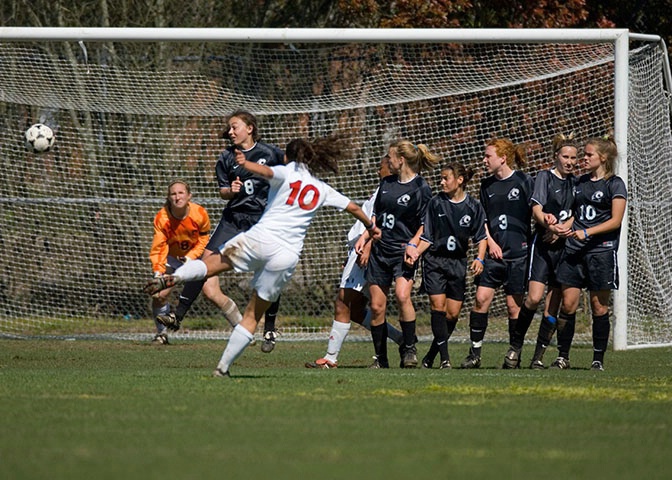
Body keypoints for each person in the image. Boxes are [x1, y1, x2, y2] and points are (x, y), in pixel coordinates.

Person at [144, 135, 382, 378]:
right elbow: (353, 207)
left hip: (259, 239)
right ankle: (222, 368)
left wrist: (245, 164)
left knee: (208, 267)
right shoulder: (322, 188)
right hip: (286, 255)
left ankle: (172, 277)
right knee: (252, 315)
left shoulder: (285, 172)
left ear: (287, 156)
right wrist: (371, 227)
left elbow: (265, 171)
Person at [156, 110, 285, 352]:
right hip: (233, 219)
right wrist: (232, 190)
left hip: (261, 221)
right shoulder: (226, 157)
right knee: (205, 261)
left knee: (271, 268)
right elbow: (222, 191)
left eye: (235, 126)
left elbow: (291, 172)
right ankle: (177, 316)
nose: (231, 131)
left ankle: (269, 327)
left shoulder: (270, 153)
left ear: (250, 128)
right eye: (229, 128)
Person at [305, 154, 403, 369]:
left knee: (343, 302)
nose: (378, 171)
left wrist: (367, 247)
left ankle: (330, 358)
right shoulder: (382, 189)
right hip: (358, 251)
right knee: (358, 310)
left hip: (366, 251)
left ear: (392, 167)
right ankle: (402, 340)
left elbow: (379, 226)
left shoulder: (388, 190)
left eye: (381, 166)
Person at [355, 140, 440, 369]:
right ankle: (381, 358)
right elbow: (376, 219)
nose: (387, 160)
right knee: (377, 306)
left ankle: (409, 348)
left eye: (390, 157)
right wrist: (365, 238)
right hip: (380, 253)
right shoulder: (385, 183)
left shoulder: (421, 188)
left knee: (403, 296)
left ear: (400, 160)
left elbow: (426, 224)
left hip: (403, 253)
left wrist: (413, 243)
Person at [503, 134, 578, 369]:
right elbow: (537, 209)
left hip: (565, 248)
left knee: (553, 307)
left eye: (573, 158)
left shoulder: (577, 182)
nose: (570, 161)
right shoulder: (545, 177)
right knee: (534, 298)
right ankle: (515, 347)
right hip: (543, 246)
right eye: (565, 156)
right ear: (556, 156)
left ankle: (538, 357)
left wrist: (562, 229)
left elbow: (580, 212)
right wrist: (549, 225)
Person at [553, 135, 627, 371]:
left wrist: (588, 232)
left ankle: (597, 360)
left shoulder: (615, 184)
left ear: (602, 158)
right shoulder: (578, 182)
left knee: (599, 307)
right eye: (583, 155)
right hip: (574, 252)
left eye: (588, 155)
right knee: (568, 304)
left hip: (601, 253)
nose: (583, 158)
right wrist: (563, 227)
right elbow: (576, 214)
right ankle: (563, 357)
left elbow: (615, 221)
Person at [405, 163, 487, 370]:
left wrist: (480, 258)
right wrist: (415, 252)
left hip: (457, 263)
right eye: (440, 178)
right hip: (434, 261)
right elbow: (427, 237)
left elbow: (481, 237)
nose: (441, 182)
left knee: (452, 314)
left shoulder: (474, 206)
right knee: (438, 307)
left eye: (445, 178)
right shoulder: (435, 203)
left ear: (459, 180)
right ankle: (445, 359)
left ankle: (430, 356)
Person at [461, 138, 534, 369]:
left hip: (519, 255)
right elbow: (482, 220)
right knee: (481, 299)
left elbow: (537, 212)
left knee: (514, 307)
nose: (484, 160)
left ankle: (515, 353)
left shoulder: (524, 181)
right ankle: (474, 354)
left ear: (502, 158)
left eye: (488, 156)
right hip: (494, 256)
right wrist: (490, 242)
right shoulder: (486, 185)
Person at [148, 180, 211, 344]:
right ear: (169, 198)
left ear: (189, 195)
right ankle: (162, 334)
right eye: (173, 194)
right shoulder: (162, 217)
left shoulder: (199, 213)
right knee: (159, 295)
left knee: (213, 294)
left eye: (181, 193)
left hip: (195, 259)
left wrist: (191, 257)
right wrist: (158, 272)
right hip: (172, 259)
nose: (177, 197)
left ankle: (243, 331)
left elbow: (204, 240)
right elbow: (159, 247)